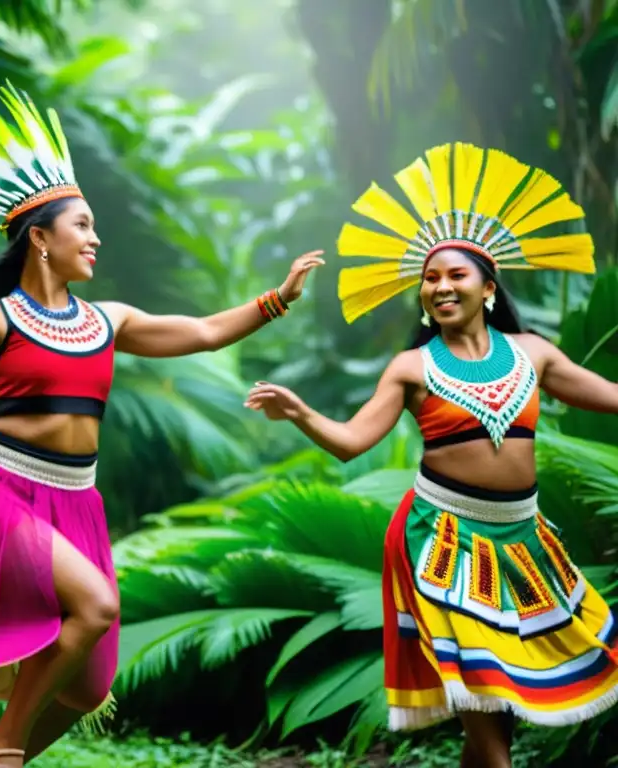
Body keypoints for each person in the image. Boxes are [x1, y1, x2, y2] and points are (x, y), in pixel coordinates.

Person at [0, 81, 324, 768]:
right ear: (40, 238)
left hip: (76, 503)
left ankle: (1, 759)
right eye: (83, 227)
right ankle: (2, 745)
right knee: (92, 606)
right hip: (1, 494)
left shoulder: (107, 321)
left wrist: (277, 299)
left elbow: (208, 331)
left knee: (88, 687)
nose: (96, 239)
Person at [246, 142, 618, 767]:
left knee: (496, 715)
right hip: (439, 540)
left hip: (523, 544)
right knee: (485, 712)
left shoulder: (534, 353)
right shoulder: (410, 367)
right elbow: (351, 443)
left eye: (455, 275)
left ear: (488, 288)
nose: (440, 287)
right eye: (430, 279)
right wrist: (303, 414)